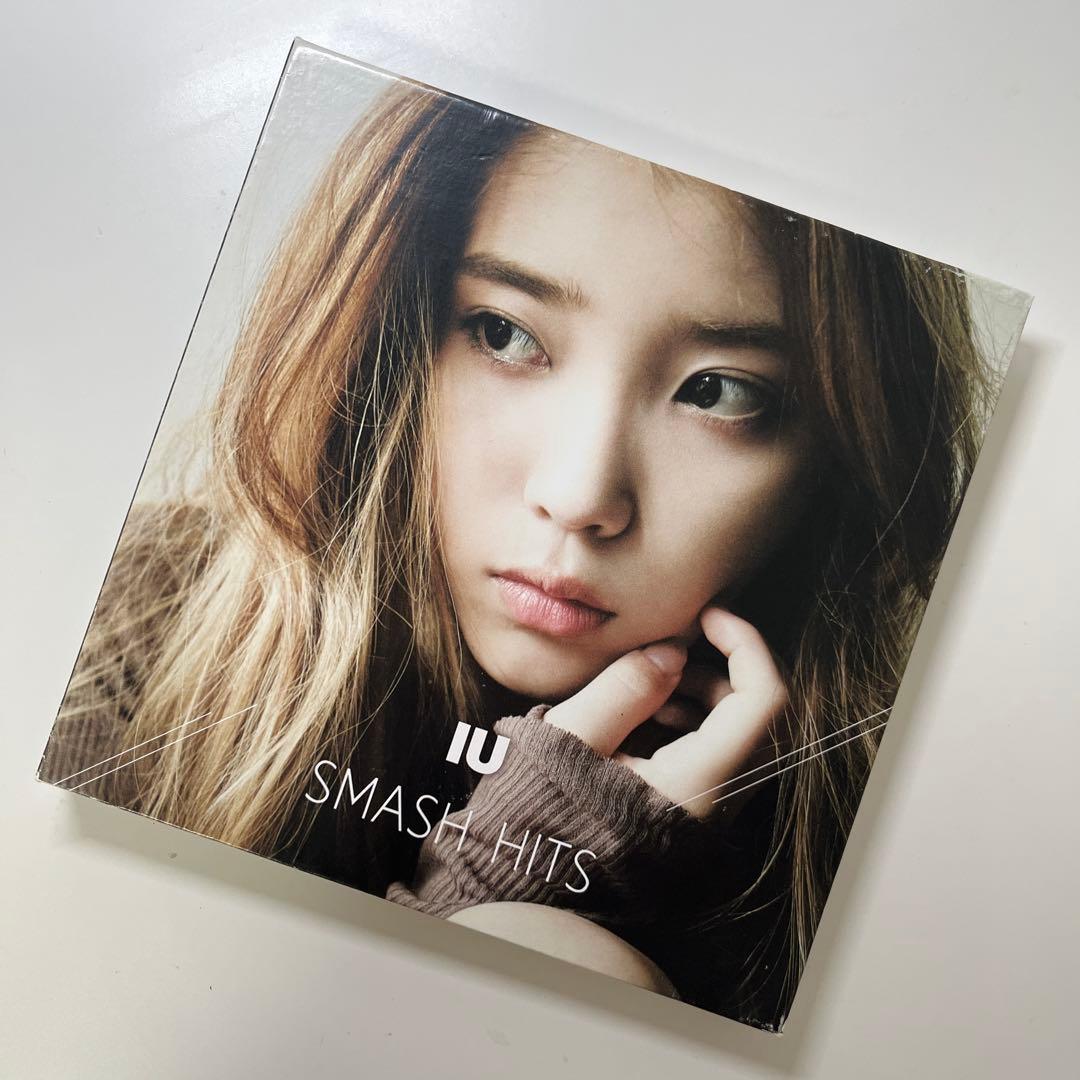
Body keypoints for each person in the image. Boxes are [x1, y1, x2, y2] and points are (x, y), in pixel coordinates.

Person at [38, 79, 997, 1030]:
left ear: (841, 457)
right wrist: (514, 887)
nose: (579, 496)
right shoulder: (130, 618)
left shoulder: (916, 851)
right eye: (505, 334)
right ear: (391, 337)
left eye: (720, 392)